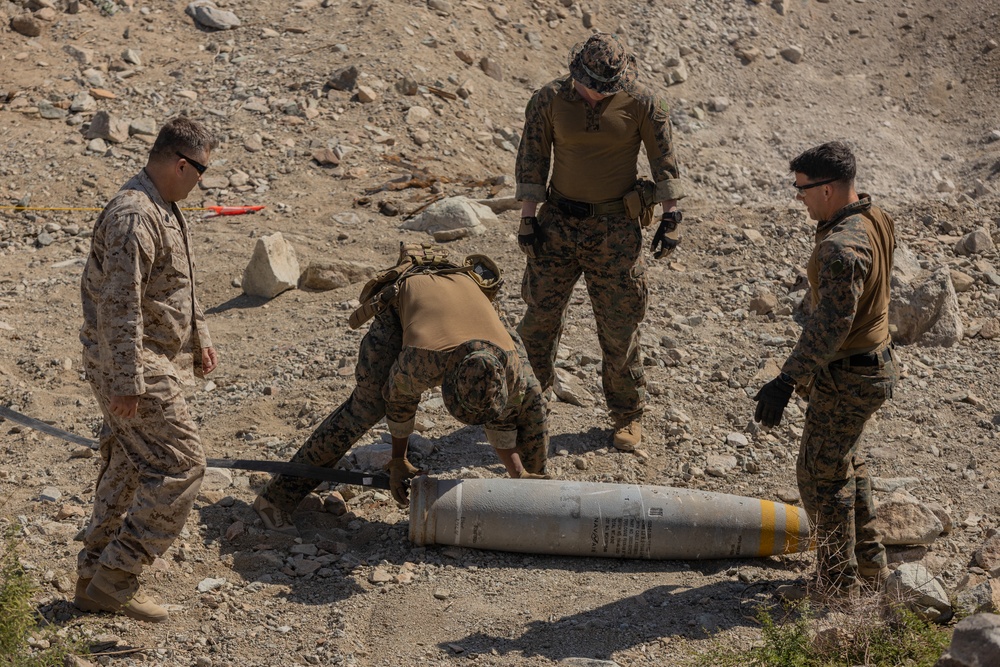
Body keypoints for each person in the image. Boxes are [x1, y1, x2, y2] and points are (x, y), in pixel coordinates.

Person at [253, 252, 550, 535]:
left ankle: (535, 500)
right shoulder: (423, 361)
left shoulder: (514, 371)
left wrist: (522, 477)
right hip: (401, 301)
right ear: (446, 381)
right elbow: (398, 402)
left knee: (532, 414)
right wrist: (398, 461)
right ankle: (275, 499)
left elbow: (508, 420)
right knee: (366, 408)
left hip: (457, 288)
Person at [75, 116, 219, 622]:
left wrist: (198, 336)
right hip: (131, 362)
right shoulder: (136, 215)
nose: (201, 182)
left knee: (132, 462)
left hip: (141, 358)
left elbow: (172, 283)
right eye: (201, 171)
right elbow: (120, 307)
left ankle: (93, 574)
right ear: (182, 164)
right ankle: (117, 579)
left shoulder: (163, 206)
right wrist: (128, 382)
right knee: (182, 464)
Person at [514, 32, 686, 452]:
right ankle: (527, 408)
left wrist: (672, 217)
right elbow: (533, 160)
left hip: (615, 231)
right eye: (593, 85)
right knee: (538, 320)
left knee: (619, 327)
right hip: (557, 224)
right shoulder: (549, 99)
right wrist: (527, 220)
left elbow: (664, 161)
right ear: (577, 72)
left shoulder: (644, 102)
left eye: (607, 87)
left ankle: (628, 415)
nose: (598, 93)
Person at [753, 141, 897, 599]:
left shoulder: (841, 245)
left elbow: (831, 326)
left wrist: (785, 379)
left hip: (849, 374)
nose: (799, 197)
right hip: (870, 365)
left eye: (803, 189)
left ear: (830, 189)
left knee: (820, 477)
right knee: (846, 463)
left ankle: (835, 584)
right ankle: (870, 566)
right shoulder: (873, 216)